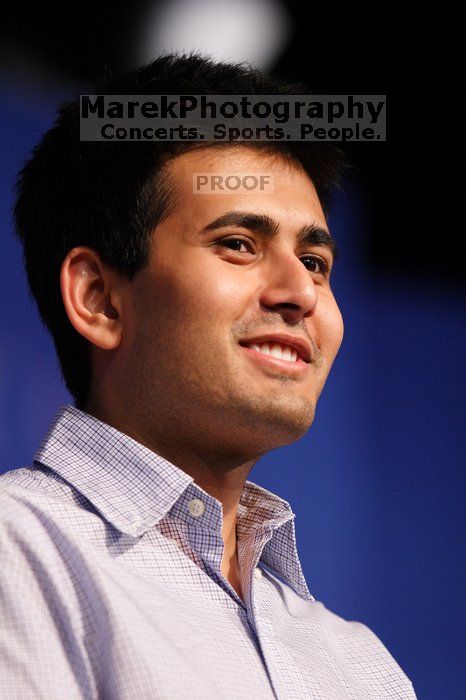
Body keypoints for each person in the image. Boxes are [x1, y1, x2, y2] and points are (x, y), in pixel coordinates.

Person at [0, 53, 417, 699]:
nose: (299, 293)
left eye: (314, 260)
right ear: (99, 298)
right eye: (240, 245)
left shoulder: (363, 666)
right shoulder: (17, 551)